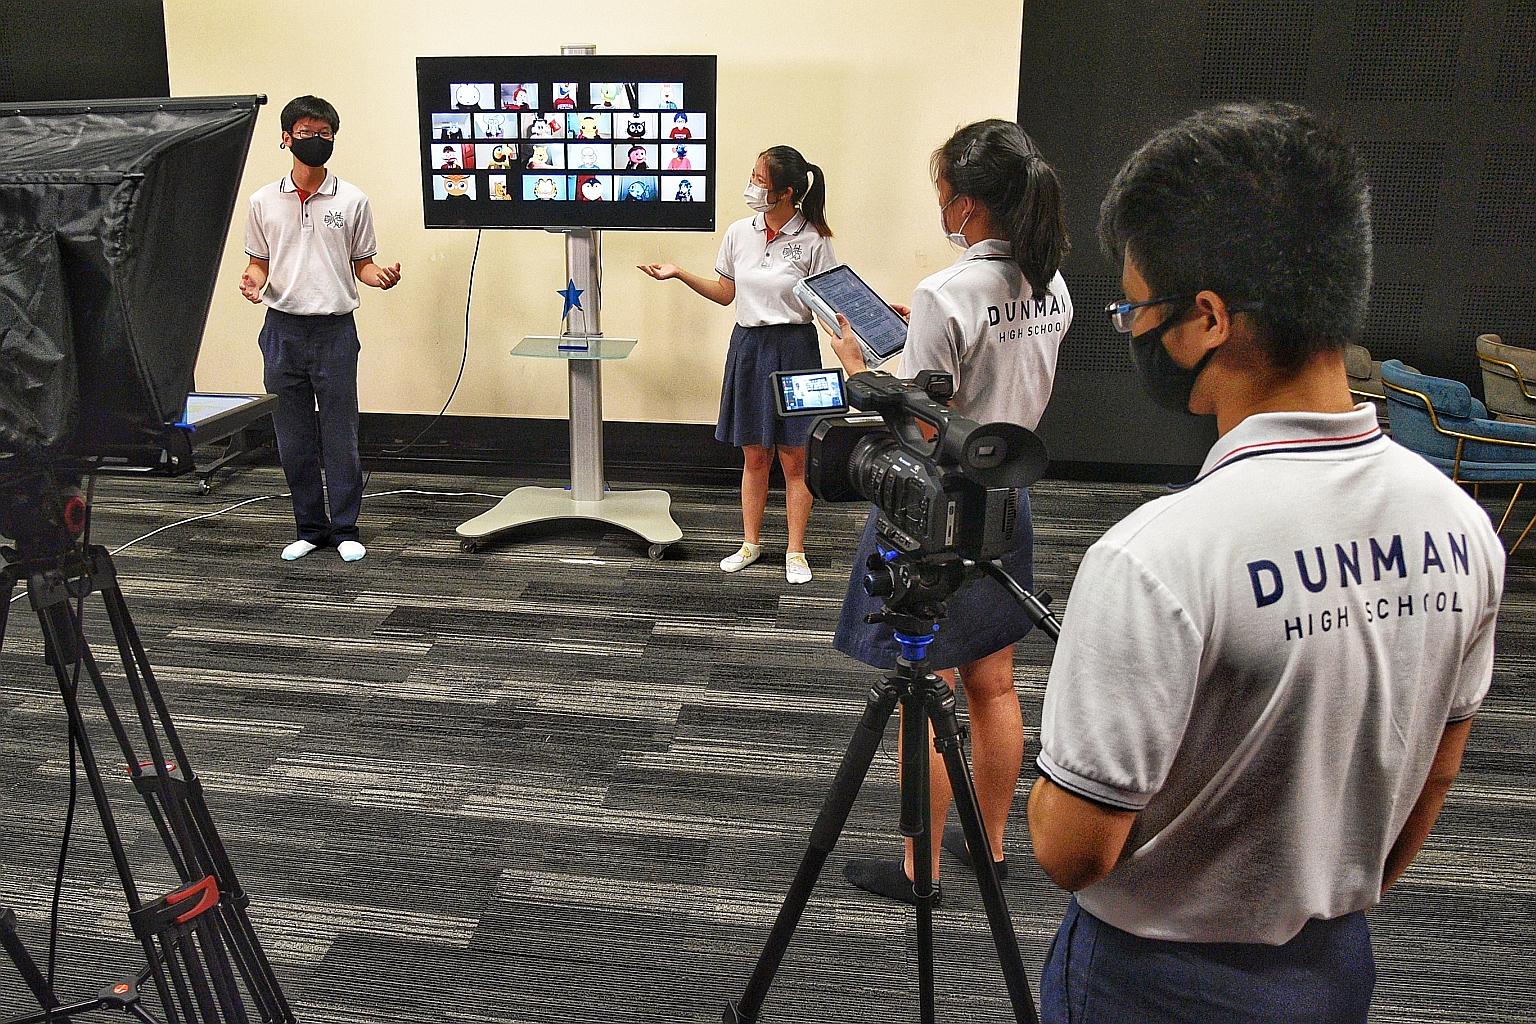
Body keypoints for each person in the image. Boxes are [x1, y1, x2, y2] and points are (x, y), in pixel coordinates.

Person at [1028, 102, 1505, 1023]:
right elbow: (1438, 769)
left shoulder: (1155, 558)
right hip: (1333, 966)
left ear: (1207, 317)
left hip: (1151, 982)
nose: (1130, 331)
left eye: (1133, 308)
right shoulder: (1463, 527)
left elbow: (1072, 852)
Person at [823, 119, 1072, 902]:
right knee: (994, 684)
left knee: (921, 695)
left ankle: (919, 872)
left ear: (965, 205)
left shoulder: (946, 291)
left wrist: (864, 366)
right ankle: (990, 846)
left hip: (932, 508)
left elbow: (920, 421)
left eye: (941, 188)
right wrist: (922, 336)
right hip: (1008, 494)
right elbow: (986, 375)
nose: (936, 200)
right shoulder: (1052, 280)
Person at [638, 146, 836, 583]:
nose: (751, 186)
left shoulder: (815, 239)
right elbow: (727, 294)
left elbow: (830, 307)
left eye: (759, 180)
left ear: (786, 192)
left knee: (796, 458)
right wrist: (680, 273)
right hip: (748, 348)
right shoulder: (738, 232)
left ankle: (796, 550)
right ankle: (750, 543)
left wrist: (869, 333)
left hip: (797, 351)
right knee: (754, 455)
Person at [238, 95, 401, 563]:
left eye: (325, 134)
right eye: (307, 133)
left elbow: (362, 266)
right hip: (281, 331)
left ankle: (345, 528)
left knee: (339, 433)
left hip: (334, 331)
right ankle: (309, 528)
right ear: (286, 138)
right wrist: (252, 283)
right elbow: (258, 264)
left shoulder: (353, 199)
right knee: (292, 437)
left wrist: (381, 278)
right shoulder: (262, 201)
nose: (317, 141)